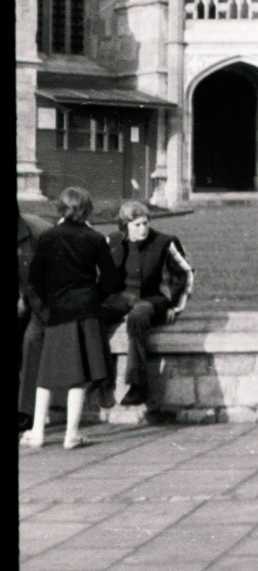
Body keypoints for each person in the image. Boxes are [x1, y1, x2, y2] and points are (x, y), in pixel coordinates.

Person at [24, 188, 121, 449]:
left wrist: (50, 303)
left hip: (58, 310)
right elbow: (112, 280)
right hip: (87, 310)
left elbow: (34, 280)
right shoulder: (95, 238)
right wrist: (92, 297)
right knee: (80, 374)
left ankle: (37, 432)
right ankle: (71, 434)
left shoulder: (47, 237)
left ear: (61, 208)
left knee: (47, 372)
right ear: (87, 208)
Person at [99, 201, 194, 414]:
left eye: (145, 223)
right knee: (93, 317)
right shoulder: (112, 242)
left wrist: (176, 306)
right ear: (125, 226)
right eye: (137, 225)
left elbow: (185, 273)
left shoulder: (165, 242)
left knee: (137, 317)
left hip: (150, 298)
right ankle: (103, 381)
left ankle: (138, 384)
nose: (143, 229)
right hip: (120, 297)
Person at [18, 206, 55, 432]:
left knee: (32, 340)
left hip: (49, 303)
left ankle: (26, 413)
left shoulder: (39, 232)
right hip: (28, 299)